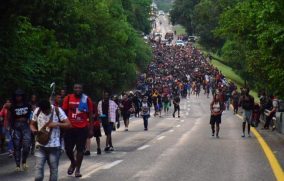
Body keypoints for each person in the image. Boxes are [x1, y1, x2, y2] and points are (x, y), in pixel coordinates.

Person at [30, 100, 71, 181]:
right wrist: (34, 130)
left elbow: (69, 124)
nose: (46, 113)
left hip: (54, 146)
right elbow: (32, 124)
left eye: (47, 111)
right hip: (40, 145)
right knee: (38, 171)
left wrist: (57, 124)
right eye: (44, 111)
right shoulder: (37, 111)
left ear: (50, 107)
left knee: (53, 170)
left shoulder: (57, 110)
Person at [62, 83, 93, 177]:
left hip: (82, 128)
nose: (78, 89)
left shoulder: (86, 99)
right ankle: (73, 162)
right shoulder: (68, 98)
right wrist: (63, 126)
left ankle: (78, 170)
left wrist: (91, 129)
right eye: (76, 88)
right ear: (73, 89)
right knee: (68, 149)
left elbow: (90, 114)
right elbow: (63, 113)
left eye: (79, 88)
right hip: (70, 127)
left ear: (82, 89)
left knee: (80, 149)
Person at [10, 89, 32, 171]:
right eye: (16, 96)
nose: (18, 97)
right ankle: (17, 165)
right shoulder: (13, 106)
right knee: (16, 146)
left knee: (27, 145)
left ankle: (24, 161)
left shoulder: (27, 105)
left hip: (26, 126)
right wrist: (11, 128)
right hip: (16, 127)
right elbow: (11, 118)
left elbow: (30, 115)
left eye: (19, 96)